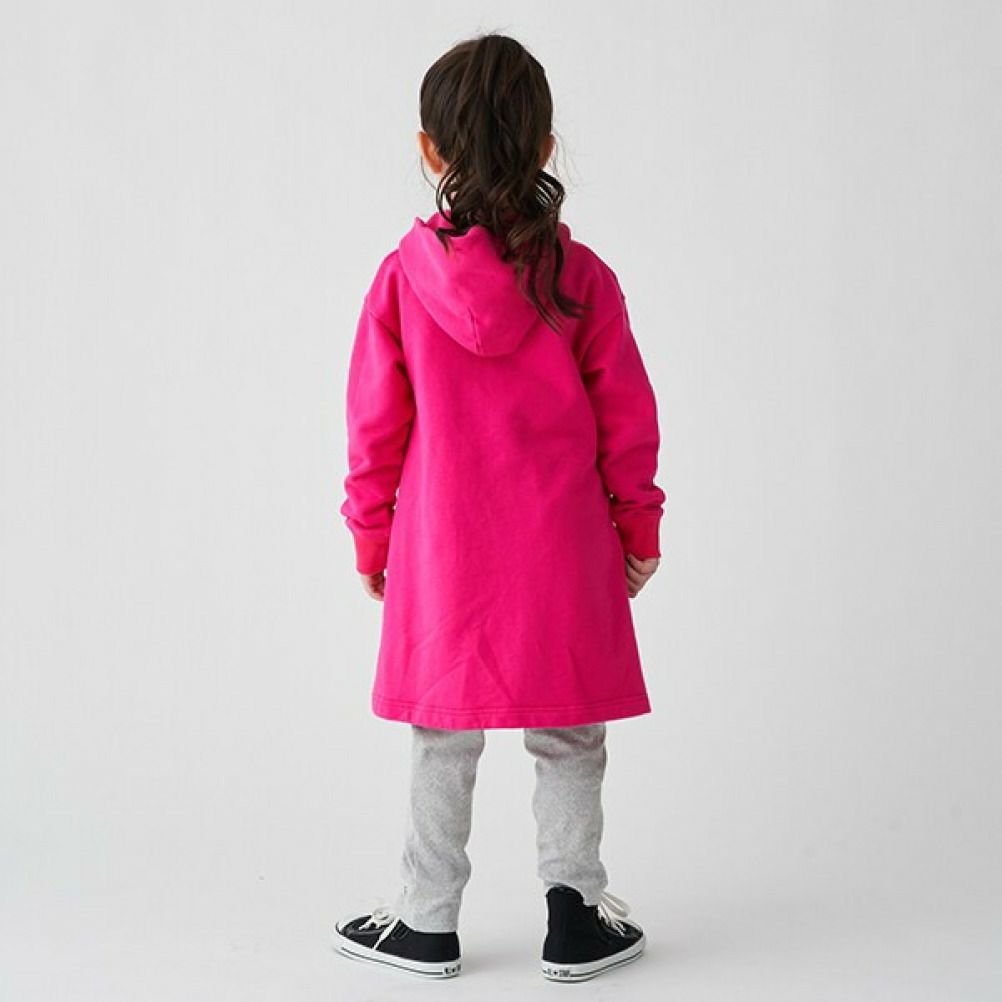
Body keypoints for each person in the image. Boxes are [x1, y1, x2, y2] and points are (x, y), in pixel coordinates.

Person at [333, 31, 666, 983]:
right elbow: (628, 423)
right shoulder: (582, 279)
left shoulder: (402, 279)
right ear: (546, 145)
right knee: (570, 733)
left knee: (444, 736)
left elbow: (373, 430)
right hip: (563, 548)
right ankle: (575, 916)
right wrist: (638, 531)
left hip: (444, 553)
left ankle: (427, 921)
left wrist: (371, 539)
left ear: (430, 149)